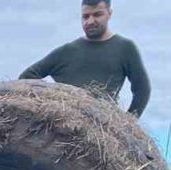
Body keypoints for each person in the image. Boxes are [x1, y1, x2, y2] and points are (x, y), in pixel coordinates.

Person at [20, 0, 151, 117]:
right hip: (63, 124)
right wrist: (49, 101)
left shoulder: (125, 48)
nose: (90, 21)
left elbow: (142, 89)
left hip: (102, 126)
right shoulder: (66, 51)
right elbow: (27, 77)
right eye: (85, 16)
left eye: (97, 14)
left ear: (109, 13)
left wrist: (128, 123)